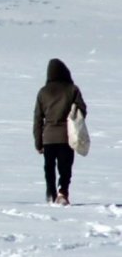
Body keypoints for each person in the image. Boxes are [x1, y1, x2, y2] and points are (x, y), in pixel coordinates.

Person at [33, 59, 87, 206]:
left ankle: (51, 193)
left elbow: (38, 119)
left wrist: (38, 142)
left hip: (48, 137)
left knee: (49, 167)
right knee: (65, 167)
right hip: (67, 136)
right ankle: (63, 191)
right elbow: (82, 110)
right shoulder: (72, 89)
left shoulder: (43, 92)